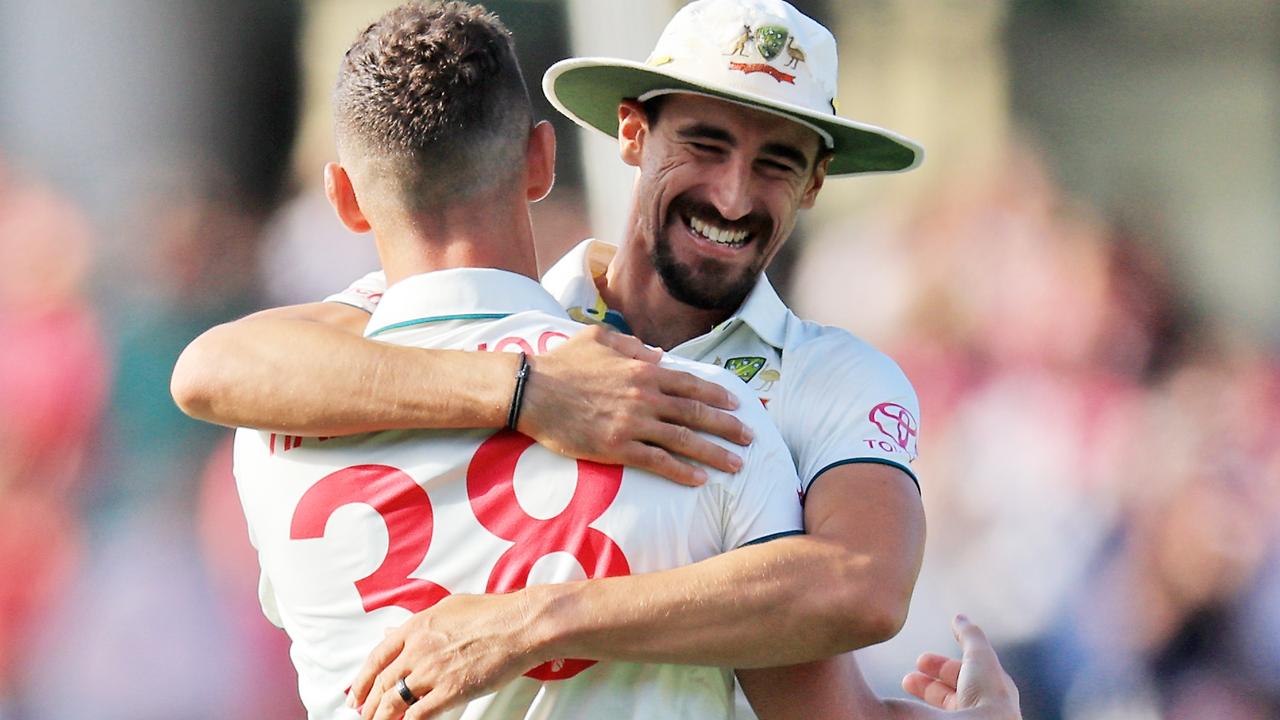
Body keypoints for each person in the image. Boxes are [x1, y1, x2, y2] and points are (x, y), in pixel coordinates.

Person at [173, 1, 1022, 719]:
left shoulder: (825, 381)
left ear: (813, 185)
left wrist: (536, 619)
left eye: (776, 163)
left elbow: (861, 590)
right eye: (705, 145)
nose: (732, 195)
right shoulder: (690, 408)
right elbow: (212, 370)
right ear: (626, 135)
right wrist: (525, 392)